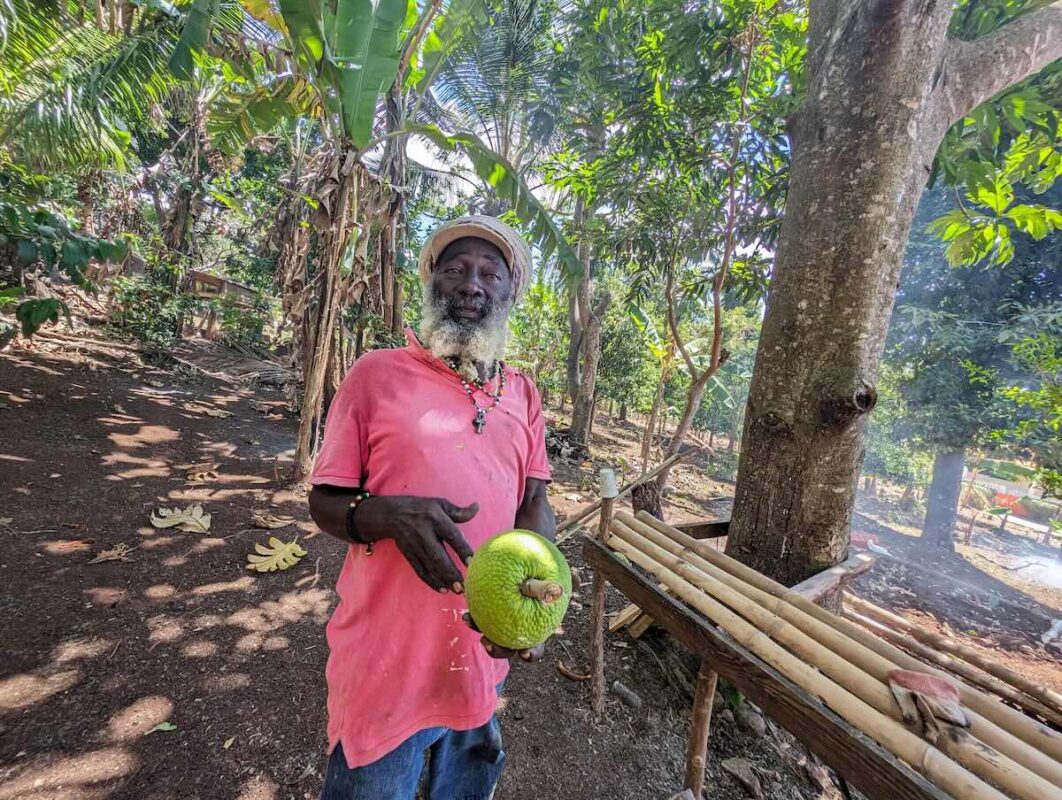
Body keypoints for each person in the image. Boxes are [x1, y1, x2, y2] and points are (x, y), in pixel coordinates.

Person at [308, 215, 555, 800]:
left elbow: (535, 500)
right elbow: (323, 500)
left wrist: (538, 596)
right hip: (385, 663)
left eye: (490, 274)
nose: (472, 285)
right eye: (456, 270)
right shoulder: (377, 376)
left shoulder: (523, 393)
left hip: (479, 659)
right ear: (432, 284)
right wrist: (388, 515)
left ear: (509, 294)